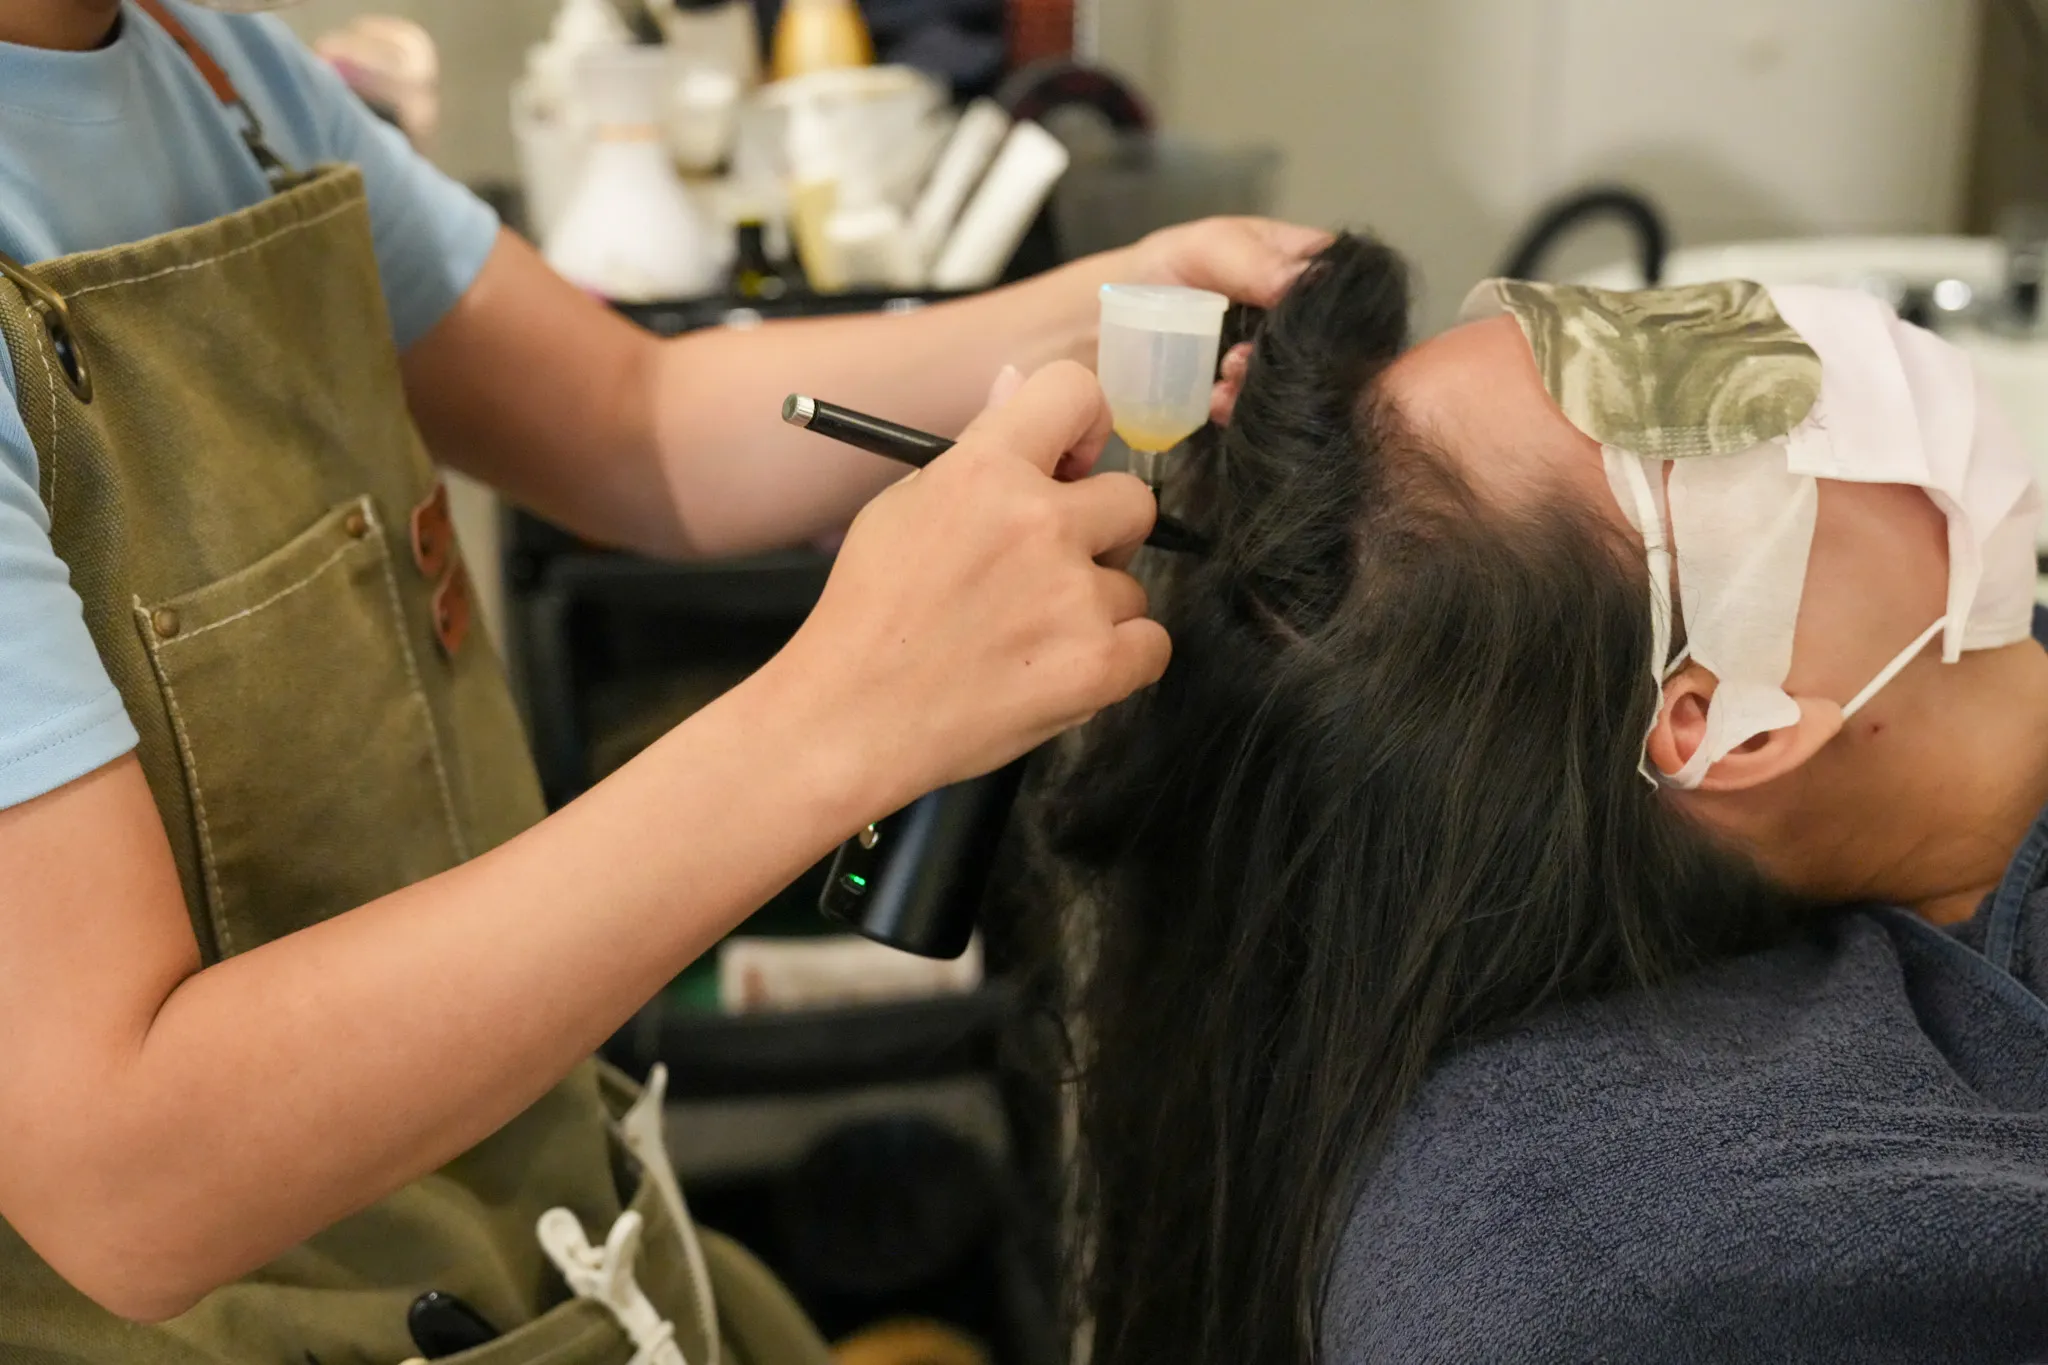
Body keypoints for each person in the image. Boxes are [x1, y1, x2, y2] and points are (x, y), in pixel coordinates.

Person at [0, 0, 1326, 1359]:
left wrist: (1123, 305)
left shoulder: (224, 76)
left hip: (531, 1233)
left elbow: (631, 421)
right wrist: (846, 715)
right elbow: (127, 1180)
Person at [1046, 234, 2048, 1364]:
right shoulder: (1625, 1250)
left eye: (1641, 312)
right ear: (1726, 720)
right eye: (1674, 376)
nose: (1764, 321)